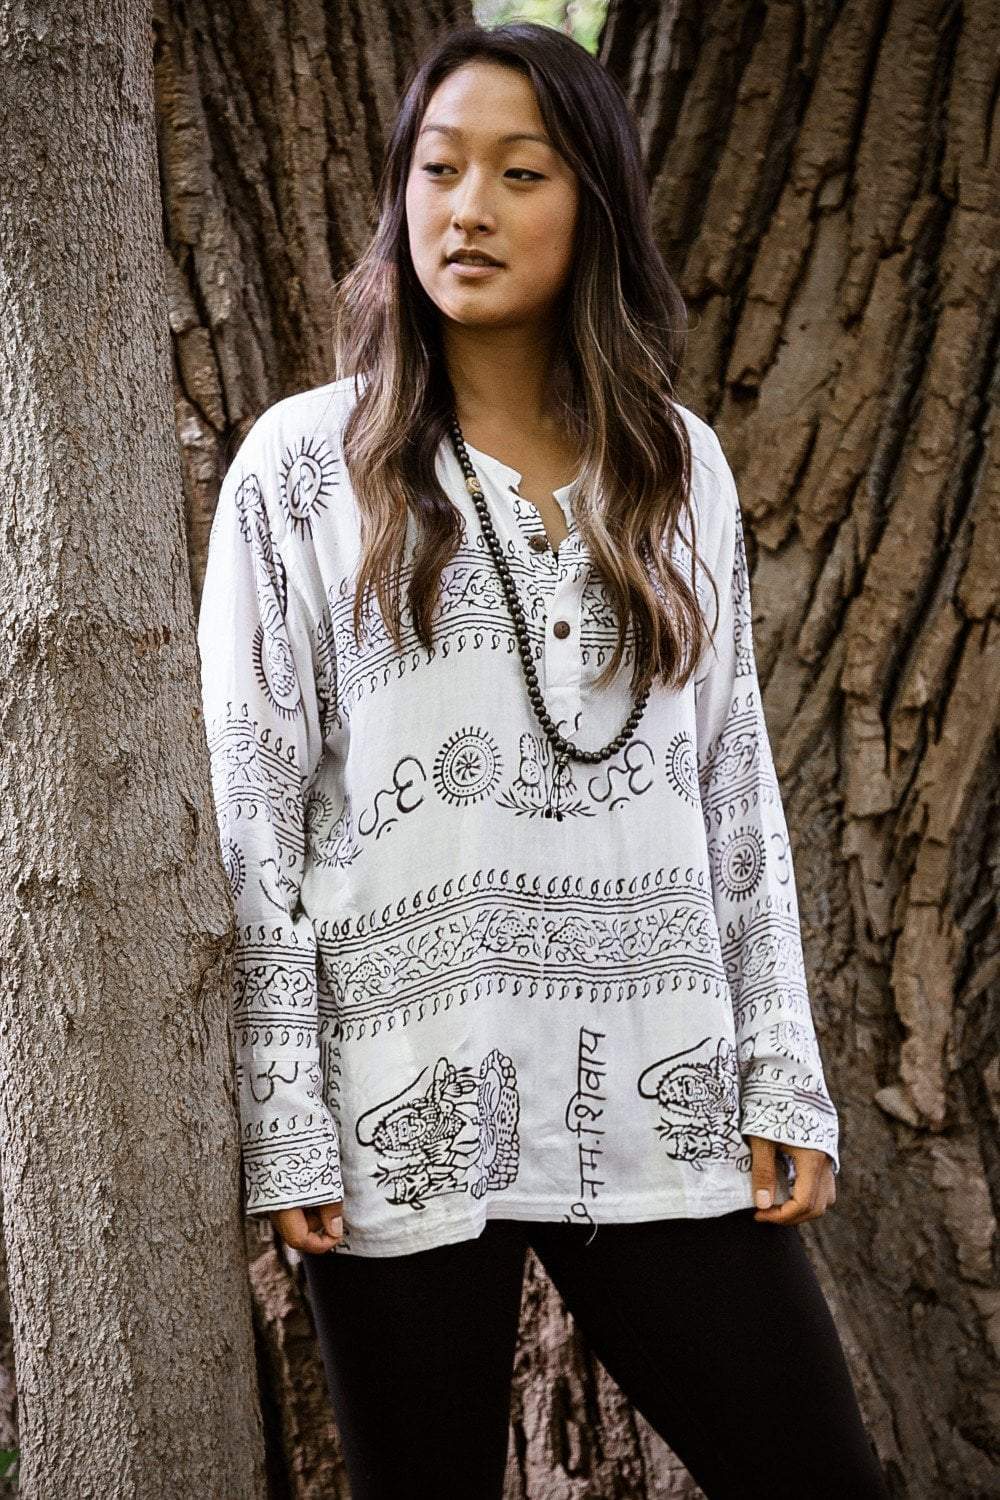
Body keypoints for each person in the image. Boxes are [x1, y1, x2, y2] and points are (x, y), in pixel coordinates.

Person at [197, 19, 891, 1500]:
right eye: (439, 169)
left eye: (521, 173)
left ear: (593, 207)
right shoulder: (302, 468)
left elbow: (733, 780)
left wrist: (783, 1073)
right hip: (400, 1099)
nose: (469, 209)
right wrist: (287, 1119)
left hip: (662, 1090)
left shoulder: (678, 467)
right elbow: (255, 814)